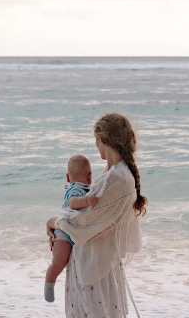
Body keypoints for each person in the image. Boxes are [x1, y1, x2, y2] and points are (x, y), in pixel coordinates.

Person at [46, 112, 146, 317]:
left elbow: (84, 222)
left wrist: (53, 222)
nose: (96, 145)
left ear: (105, 140)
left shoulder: (116, 178)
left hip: (95, 267)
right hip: (96, 262)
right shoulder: (113, 173)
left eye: (97, 140)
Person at [45, 155, 100, 302]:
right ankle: (49, 283)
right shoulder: (74, 189)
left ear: (67, 177)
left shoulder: (89, 189)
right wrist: (86, 201)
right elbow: (73, 202)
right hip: (63, 232)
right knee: (59, 261)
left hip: (74, 231)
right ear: (89, 176)